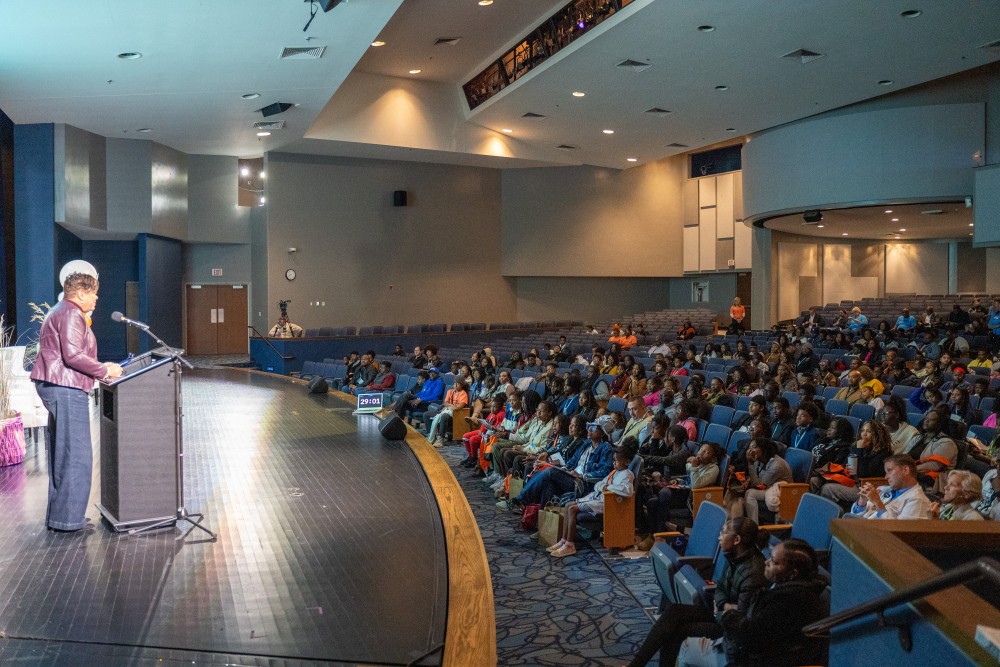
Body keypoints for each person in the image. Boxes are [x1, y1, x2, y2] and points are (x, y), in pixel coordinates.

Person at [31, 267, 123, 532]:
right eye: (94, 294)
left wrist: (98, 366)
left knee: (65, 455)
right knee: (76, 456)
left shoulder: (61, 310)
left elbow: (71, 354)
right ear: (81, 293)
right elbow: (72, 356)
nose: (97, 299)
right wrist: (104, 370)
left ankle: (63, 517)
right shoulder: (71, 313)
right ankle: (69, 521)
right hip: (65, 387)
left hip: (58, 385)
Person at [628, 517, 767, 667]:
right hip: (721, 613)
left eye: (724, 532)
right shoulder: (734, 556)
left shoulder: (753, 572)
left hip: (731, 631)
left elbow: (742, 620)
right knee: (674, 611)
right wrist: (723, 604)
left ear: (737, 539)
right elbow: (720, 587)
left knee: (677, 631)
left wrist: (721, 609)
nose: (719, 536)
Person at [678, 539, 829, 667]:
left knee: (685, 646)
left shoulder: (789, 600)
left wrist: (728, 615)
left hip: (746, 658)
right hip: (740, 646)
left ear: (792, 573)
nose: (766, 562)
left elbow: (750, 636)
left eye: (774, 562)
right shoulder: (792, 589)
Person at [548, 445, 634, 558]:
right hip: (598, 499)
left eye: (617, 461)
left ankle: (569, 545)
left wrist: (607, 487)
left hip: (608, 504)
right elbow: (599, 485)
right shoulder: (614, 472)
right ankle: (563, 540)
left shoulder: (627, 474)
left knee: (573, 509)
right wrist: (603, 486)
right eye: (613, 460)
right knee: (568, 505)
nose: (614, 463)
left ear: (627, 462)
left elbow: (628, 491)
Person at [849, 454, 933, 519]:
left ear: (905, 470)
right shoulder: (883, 489)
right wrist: (862, 501)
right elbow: (854, 516)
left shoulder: (918, 500)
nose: (886, 477)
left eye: (889, 470)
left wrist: (878, 503)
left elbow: (900, 532)